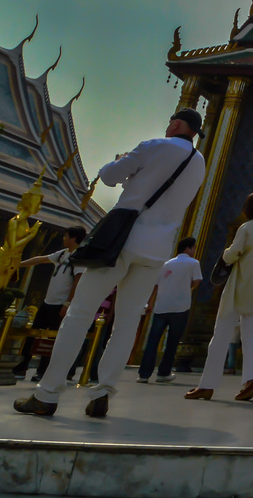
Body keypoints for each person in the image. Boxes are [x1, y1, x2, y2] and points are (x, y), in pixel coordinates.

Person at [14, 109, 206, 418]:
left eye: (172, 121)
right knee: (127, 321)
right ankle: (103, 392)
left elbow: (108, 176)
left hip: (120, 241)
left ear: (177, 124)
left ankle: (47, 394)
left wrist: (122, 160)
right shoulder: (199, 162)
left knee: (79, 314)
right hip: (157, 250)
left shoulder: (154, 145)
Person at [186, 189, 253, 402]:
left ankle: (207, 385)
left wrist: (225, 254)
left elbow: (232, 254)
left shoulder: (246, 228)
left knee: (221, 334)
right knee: (251, 334)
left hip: (240, 285)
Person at [12, 226, 86, 380]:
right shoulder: (61, 255)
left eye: (66, 236)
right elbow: (40, 259)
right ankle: (22, 366)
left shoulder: (78, 258)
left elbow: (78, 282)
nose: (64, 239)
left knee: (52, 339)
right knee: (32, 334)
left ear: (73, 238)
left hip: (60, 304)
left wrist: (67, 304)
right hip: (47, 302)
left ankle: (43, 371)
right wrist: (18, 264)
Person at [137, 236, 201, 384]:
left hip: (161, 307)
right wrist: (186, 288)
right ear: (188, 249)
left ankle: (144, 374)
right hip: (180, 307)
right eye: (194, 248)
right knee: (172, 342)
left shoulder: (167, 264)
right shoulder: (194, 263)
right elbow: (197, 281)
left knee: (153, 340)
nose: (195, 251)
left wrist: (150, 303)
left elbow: (157, 285)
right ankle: (163, 373)